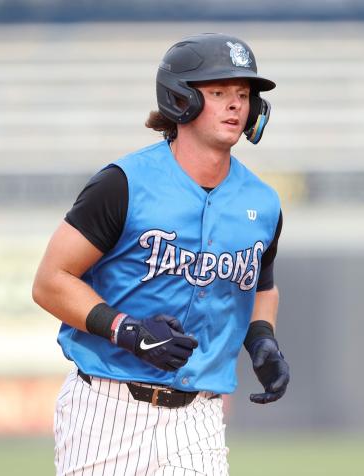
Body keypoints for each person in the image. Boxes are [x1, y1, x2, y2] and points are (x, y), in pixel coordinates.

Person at [33, 32, 290, 476]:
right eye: (218, 92)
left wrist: (262, 337)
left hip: (199, 418)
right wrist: (125, 328)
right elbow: (51, 280)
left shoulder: (263, 203)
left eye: (243, 94)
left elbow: (261, 286)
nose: (235, 105)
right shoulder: (123, 184)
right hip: (107, 408)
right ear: (180, 100)